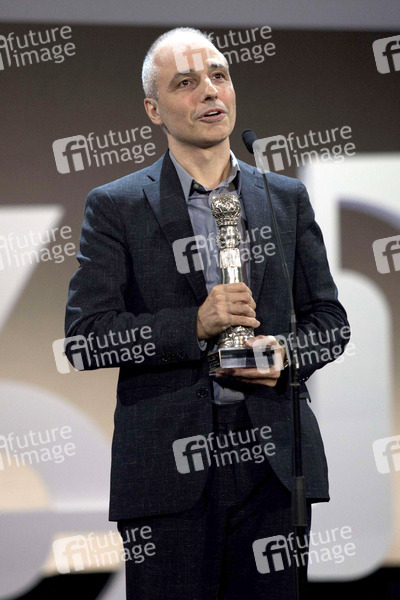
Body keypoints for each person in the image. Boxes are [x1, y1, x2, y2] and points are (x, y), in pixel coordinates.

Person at [65, 26, 350, 600]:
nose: (210, 91)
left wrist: (283, 354)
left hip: (273, 466)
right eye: (186, 83)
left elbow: (330, 322)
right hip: (169, 471)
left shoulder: (284, 198)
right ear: (154, 110)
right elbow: (85, 339)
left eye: (219, 76)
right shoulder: (117, 205)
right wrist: (193, 326)